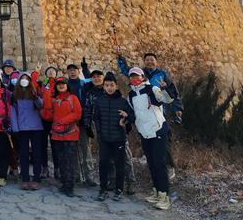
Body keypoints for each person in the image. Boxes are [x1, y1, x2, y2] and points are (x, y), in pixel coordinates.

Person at [118, 53, 183, 180]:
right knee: (150, 145)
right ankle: (155, 172)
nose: (149, 62)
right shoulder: (141, 74)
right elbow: (127, 71)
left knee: (165, 142)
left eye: (152, 60)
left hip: (161, 112)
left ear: (156, 62)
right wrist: (121, 60)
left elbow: (172, 91)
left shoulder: (162, 74)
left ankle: (169, 167)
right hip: (146, 116)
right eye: (147, 60)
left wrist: (178, 109)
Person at [127, 67, 176, 210]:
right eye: (132, 76)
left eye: (137, 76)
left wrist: (166, 88)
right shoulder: (130, 95)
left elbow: (166, 99)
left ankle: (164, 197)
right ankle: (156, 191)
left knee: (160, 164)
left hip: (158, 130)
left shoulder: (152, 89)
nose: (134, 78)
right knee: (152, 163)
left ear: (142, 77)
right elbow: (133, 113)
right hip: (144, 132)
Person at [92, 72, 135, 202]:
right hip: (104, 139)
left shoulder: (122, 101)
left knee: (119, 165)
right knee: (103, 164)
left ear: (116, 86)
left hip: (119, 139)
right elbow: (96, 118)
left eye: (111, 85)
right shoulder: (99, 100)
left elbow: (132, 116)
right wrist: (99, 134)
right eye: (106, 85)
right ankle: (103, 190)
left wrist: (126, 118)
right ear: (103, 87)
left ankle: (119, 190)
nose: (109, 88)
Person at [41, 77, 82, 197]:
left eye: (63, 83)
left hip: (70, 134)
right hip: (57, 135)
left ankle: (70, 186)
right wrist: (47, 92)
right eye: (59, 84)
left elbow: (77, 113)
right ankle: (65, 183)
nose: (61, 85)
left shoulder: (72, 98)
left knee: (69, 161)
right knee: (61, 160)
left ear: (66, 85)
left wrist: (62, 121)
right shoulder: (54, 100)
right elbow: (48, 115)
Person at [10, 72, 44, 190]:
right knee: (23, 154)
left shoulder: (34, 92)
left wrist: (36, 98)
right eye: (22, 79)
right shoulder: (14, 95)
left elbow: (41, 105)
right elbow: (13, 112)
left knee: (36, 154)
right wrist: (15, 127)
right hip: (22, 128)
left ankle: (36, 178)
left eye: (26, 79)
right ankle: (25, 178)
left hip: (36, 127)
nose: (24, 80)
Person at [66, 63, 95, 187]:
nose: (72, 72)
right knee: (73, 150)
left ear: (78, 72)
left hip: (83, 121)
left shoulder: (84, 84)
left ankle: (89, 177)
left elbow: (93, 80)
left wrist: (85, 69)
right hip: (70, 122)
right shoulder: (65, 85)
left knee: (85, 149)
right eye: (70, 70)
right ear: (67, 72)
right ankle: (76, 175)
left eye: (74, 70)